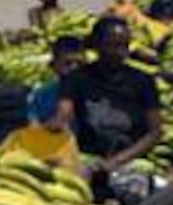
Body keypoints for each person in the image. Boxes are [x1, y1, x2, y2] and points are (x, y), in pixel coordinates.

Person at [52, 15, 163, 194]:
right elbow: (64, 116)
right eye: (114, 46)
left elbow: (155, 132)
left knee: (134, 187)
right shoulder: (76, 79)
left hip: (131, 157)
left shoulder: (142, 81)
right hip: (89, 157)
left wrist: (117, 161)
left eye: (125, 46)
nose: (121, 53)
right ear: (97, 46)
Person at [28, 35, 87, 125]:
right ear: (53, 66)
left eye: (80, 63)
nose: (74, 68)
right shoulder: (41, 96)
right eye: (68, 64)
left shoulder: (98, 91)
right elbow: (35, 129)